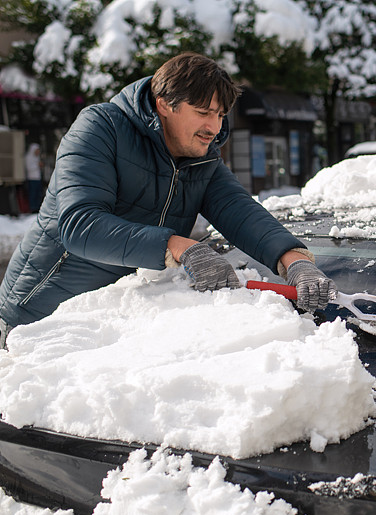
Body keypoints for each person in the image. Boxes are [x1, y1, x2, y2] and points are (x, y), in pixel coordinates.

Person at [0, 52, 335, 348]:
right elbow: (80, 226)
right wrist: (181, 246)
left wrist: (295, 260)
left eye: (220, 115)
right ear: (164, 103)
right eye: (203, 112)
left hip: (106, 322)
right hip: (36, 318)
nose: (213, 127)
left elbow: (240, 210)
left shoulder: (200, 156)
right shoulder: (101, 128)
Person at [24, 143, 43, 213]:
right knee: (33, 193)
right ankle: (32, 208)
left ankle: (37, 207)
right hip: (32, 178)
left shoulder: (37, 157)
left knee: (38, 194)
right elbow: (29, 168)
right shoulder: (28, 157)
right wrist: (37, 165)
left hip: (37, 178)